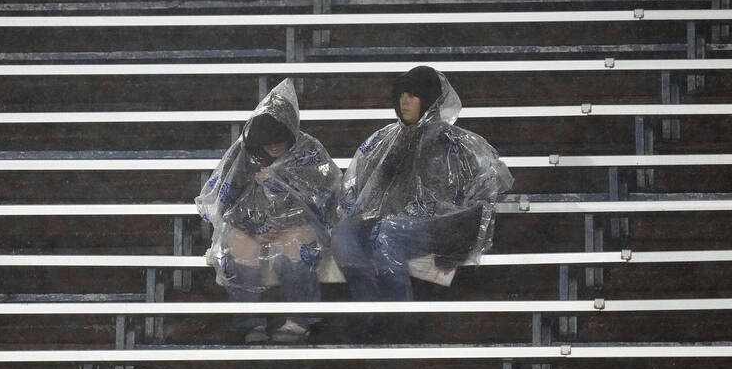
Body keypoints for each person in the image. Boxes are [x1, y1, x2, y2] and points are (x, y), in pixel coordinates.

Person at [331, 66, 514, 308]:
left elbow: (484, 190)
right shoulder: (384, 141)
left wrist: (453, 237)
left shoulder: (457, 143)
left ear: (427, 99)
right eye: (401, 95)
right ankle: (371, 307)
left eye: (412, 96)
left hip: (438, 227)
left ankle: (399, 318)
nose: (404, 102)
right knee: (343, 233)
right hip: (390, 223)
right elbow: (363, 193)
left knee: (387, 233)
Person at [196, 79, 339, 344]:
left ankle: (300, 319)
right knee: (236, 249)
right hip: (251, 225)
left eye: (279, 142)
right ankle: (251, 322)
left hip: (298, 224)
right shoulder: (243, 155)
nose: (273, 148)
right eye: (268, 144)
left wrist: (283, 195)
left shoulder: (308, 152)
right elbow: (226, 201)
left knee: (294, 249)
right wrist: (253, 227)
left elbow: (324, 198)